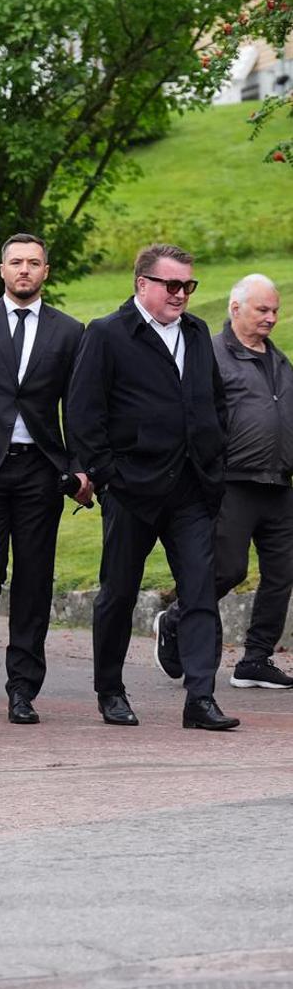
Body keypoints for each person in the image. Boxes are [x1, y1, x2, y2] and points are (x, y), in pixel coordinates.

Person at [68, 244, 236, 730]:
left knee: (201, 594)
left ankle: (200, 698)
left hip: (191, 489)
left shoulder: (198, 333)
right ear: (142, 284)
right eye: (172, 285)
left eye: (189, 286)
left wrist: (214, 461)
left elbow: (215, 405)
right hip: (132, 489)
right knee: (118, 593)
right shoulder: (106, 334)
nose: (181, 294)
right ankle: (110, 690)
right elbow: (82, 415)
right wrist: (107, 475)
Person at [0, 234, 88, 718]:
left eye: (33, 263)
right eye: (16, 262)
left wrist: (78, 466)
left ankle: (23, 687)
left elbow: (78, 406)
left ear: (46, 271)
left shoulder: (70, 332)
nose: (24, 270)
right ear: (2, 270)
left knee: (34, 580)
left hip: (40, 470)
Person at [159, 274, 293, 691]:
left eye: (274, 310)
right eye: (262, 310)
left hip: (280, 483)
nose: (271, 317)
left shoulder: (280, 361)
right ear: (235, 309)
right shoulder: (210, 356)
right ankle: (178, 618)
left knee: (283, 572)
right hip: (231, 481)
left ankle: (255, 659)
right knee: (228, 569)